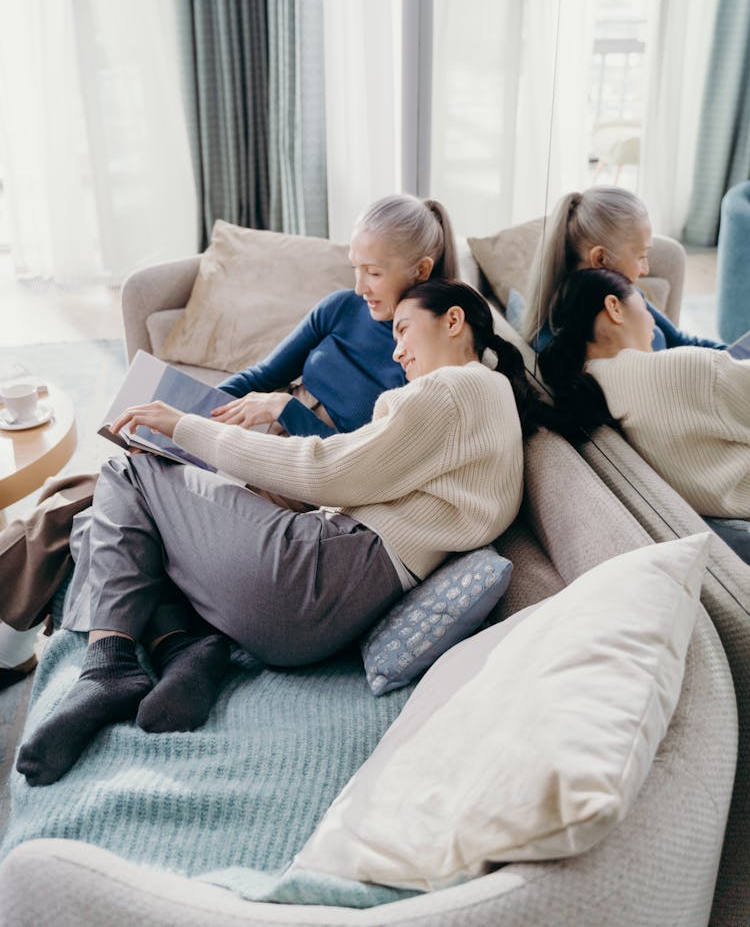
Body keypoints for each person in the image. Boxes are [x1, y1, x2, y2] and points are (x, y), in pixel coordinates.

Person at [16, 280, 540, 787]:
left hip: (315, 573)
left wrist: (186, 427)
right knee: (111, 521)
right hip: (323, 615)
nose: (398, 351)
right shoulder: (486, 406)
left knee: (126, 473)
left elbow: (330, 470)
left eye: (403, 330)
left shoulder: (455, 388)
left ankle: (109, 666)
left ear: (453, 321)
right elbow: (357, 482)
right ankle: (183, 650)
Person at [0, 194, 458, 687]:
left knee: (88, 505)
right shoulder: (340, 308)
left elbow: (353, 466)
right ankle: (35, 645)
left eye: (372, 272)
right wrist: (185, 411)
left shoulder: (425, 359)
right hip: (258, 440)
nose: (359, 286)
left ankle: (18, 644)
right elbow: (263, 373)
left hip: (304, 477)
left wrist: (289, 412)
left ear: (420, 270)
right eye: (354, 268)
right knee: (91, 492)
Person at [537, 268, 750, 538]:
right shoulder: (686, 370)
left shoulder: (589, 390)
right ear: (614, 307)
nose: (652, 321)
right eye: (645, 304)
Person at [522, 186, 725, 352]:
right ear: (600, 259)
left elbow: (680, 341)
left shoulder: (628, 296)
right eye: (641, 256)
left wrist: (734, 357)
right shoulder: (567, 346)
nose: (645, 269)